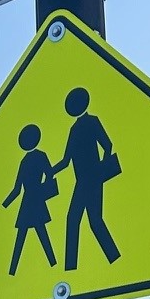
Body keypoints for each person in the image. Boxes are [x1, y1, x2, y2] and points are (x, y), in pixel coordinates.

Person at [51, 86, 122, 271]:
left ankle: (113, 260)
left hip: (91, 180)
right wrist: (51, 172)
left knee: (90, 221)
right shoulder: (75, 128)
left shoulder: (91, 122)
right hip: (82, 182)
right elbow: (66, 160)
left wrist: (101, 169)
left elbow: (107, 144)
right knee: (79, 220)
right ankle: (72, 267)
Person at [3, 124, 58, 274]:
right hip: (35, 200)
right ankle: (52, 264)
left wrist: (6, 204)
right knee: (37, 233)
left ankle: (14, 270)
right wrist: (4, 205)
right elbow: (50, 174)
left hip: (29, 201)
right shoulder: (38, 157)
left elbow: (17, 189)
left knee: (28, 235)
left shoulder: (26, 161)